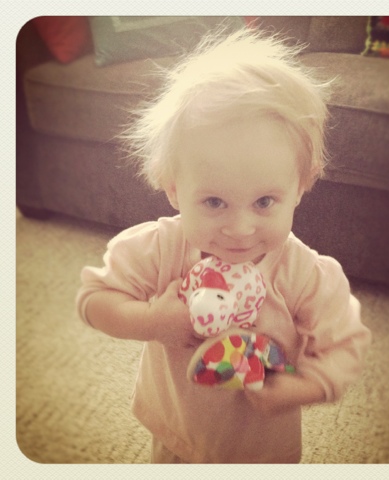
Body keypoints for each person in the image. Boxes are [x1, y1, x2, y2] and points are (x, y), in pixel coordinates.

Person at [76, 27, 371, 464]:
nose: (240, 229)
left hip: (260, 449)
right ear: (173, 188)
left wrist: (300, 388)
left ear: (301, 186)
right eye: (214, 202)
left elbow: (345, 346)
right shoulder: (159, 248)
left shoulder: (306, 276)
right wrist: (150, 322)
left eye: (264, 202)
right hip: (174, 430)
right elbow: (93, 299)